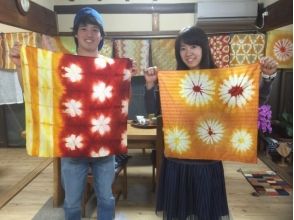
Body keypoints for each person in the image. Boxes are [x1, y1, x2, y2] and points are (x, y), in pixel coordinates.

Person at [10, 7, 136, 220]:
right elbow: (35, 90)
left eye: (95, 29)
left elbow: (122, 104)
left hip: (104, 146)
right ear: (76, 34)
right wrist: (21, 67)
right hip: (72, 146)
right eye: (83, 28)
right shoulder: (63, 66)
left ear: (101, 36)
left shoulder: (110, 66)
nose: (89, 34)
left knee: (106, 198)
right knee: (71, 202)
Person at [144, 26, 278, 220]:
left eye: (194, 46)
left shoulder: (221, 81)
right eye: (182, 48)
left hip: (207, 164)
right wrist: (149, 84)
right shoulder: (173, 82)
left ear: (204, 48)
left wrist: (267, 78)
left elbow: (251, 103)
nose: (188, 53)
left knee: (206, 213)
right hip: (176, 162)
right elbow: (153, 111)